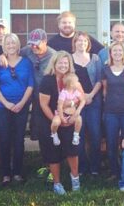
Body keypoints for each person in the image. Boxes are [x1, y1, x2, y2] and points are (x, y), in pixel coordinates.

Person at [0, 33, 34, 186]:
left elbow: (30, 85)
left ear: (18, 45)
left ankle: (17, 172)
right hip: (3, 107)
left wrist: (22, 103)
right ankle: (5, 174)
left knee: (18, 140)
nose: (10, 45)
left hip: (21, 106)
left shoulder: (26, 63)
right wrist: (6, 103)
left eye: (13, 43)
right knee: (4, 139)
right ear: (4, 46)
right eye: (7, 43)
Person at [38, 51, 81, 195]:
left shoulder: (72, 79)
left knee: (72, 151)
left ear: (69, 65)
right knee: (53, 151)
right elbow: (44, 104)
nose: (63, 65)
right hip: (51, 119)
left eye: (66, 63)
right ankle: (57, 183)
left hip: (70, 119)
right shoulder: (47, 80)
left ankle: (75, 180)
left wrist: (73, 112)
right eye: (60, 63)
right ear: (54, 64)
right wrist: (56, 120)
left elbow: (82, 98)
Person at [102, 41, 124, 180]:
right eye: (114, 51)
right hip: (111, 112)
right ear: (110, 53)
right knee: (111, 143)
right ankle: (115, 172)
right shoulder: (105, 69)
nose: (117, 53)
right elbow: (104, 91)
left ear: (123, 53)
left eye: (119, 51)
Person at [71, 31, 103, 175]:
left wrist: (91, 95)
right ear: (74, 43)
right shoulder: (69, 59)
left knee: (95, 134)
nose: (81, 43)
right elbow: (67, 82)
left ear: (88, 43)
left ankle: (95, 167)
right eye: (79, 41)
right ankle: (82, 167)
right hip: (76, 102)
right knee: (80, 135)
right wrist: (81, 97)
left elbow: (99, 80)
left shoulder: (95, 58)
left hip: (93, 100)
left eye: (84, 41)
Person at [51, 72, 85, 146]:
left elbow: (83, 100)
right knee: (55, 122)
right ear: (71, 84)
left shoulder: (76, 92)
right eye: (76, 82)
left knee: (79, 119)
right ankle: (54, 134)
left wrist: (78, 111)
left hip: (73, 114)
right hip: (62, 113)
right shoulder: (63, 93)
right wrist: (61, 117)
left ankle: (76, 135)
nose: (78, 83)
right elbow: (60, 106)